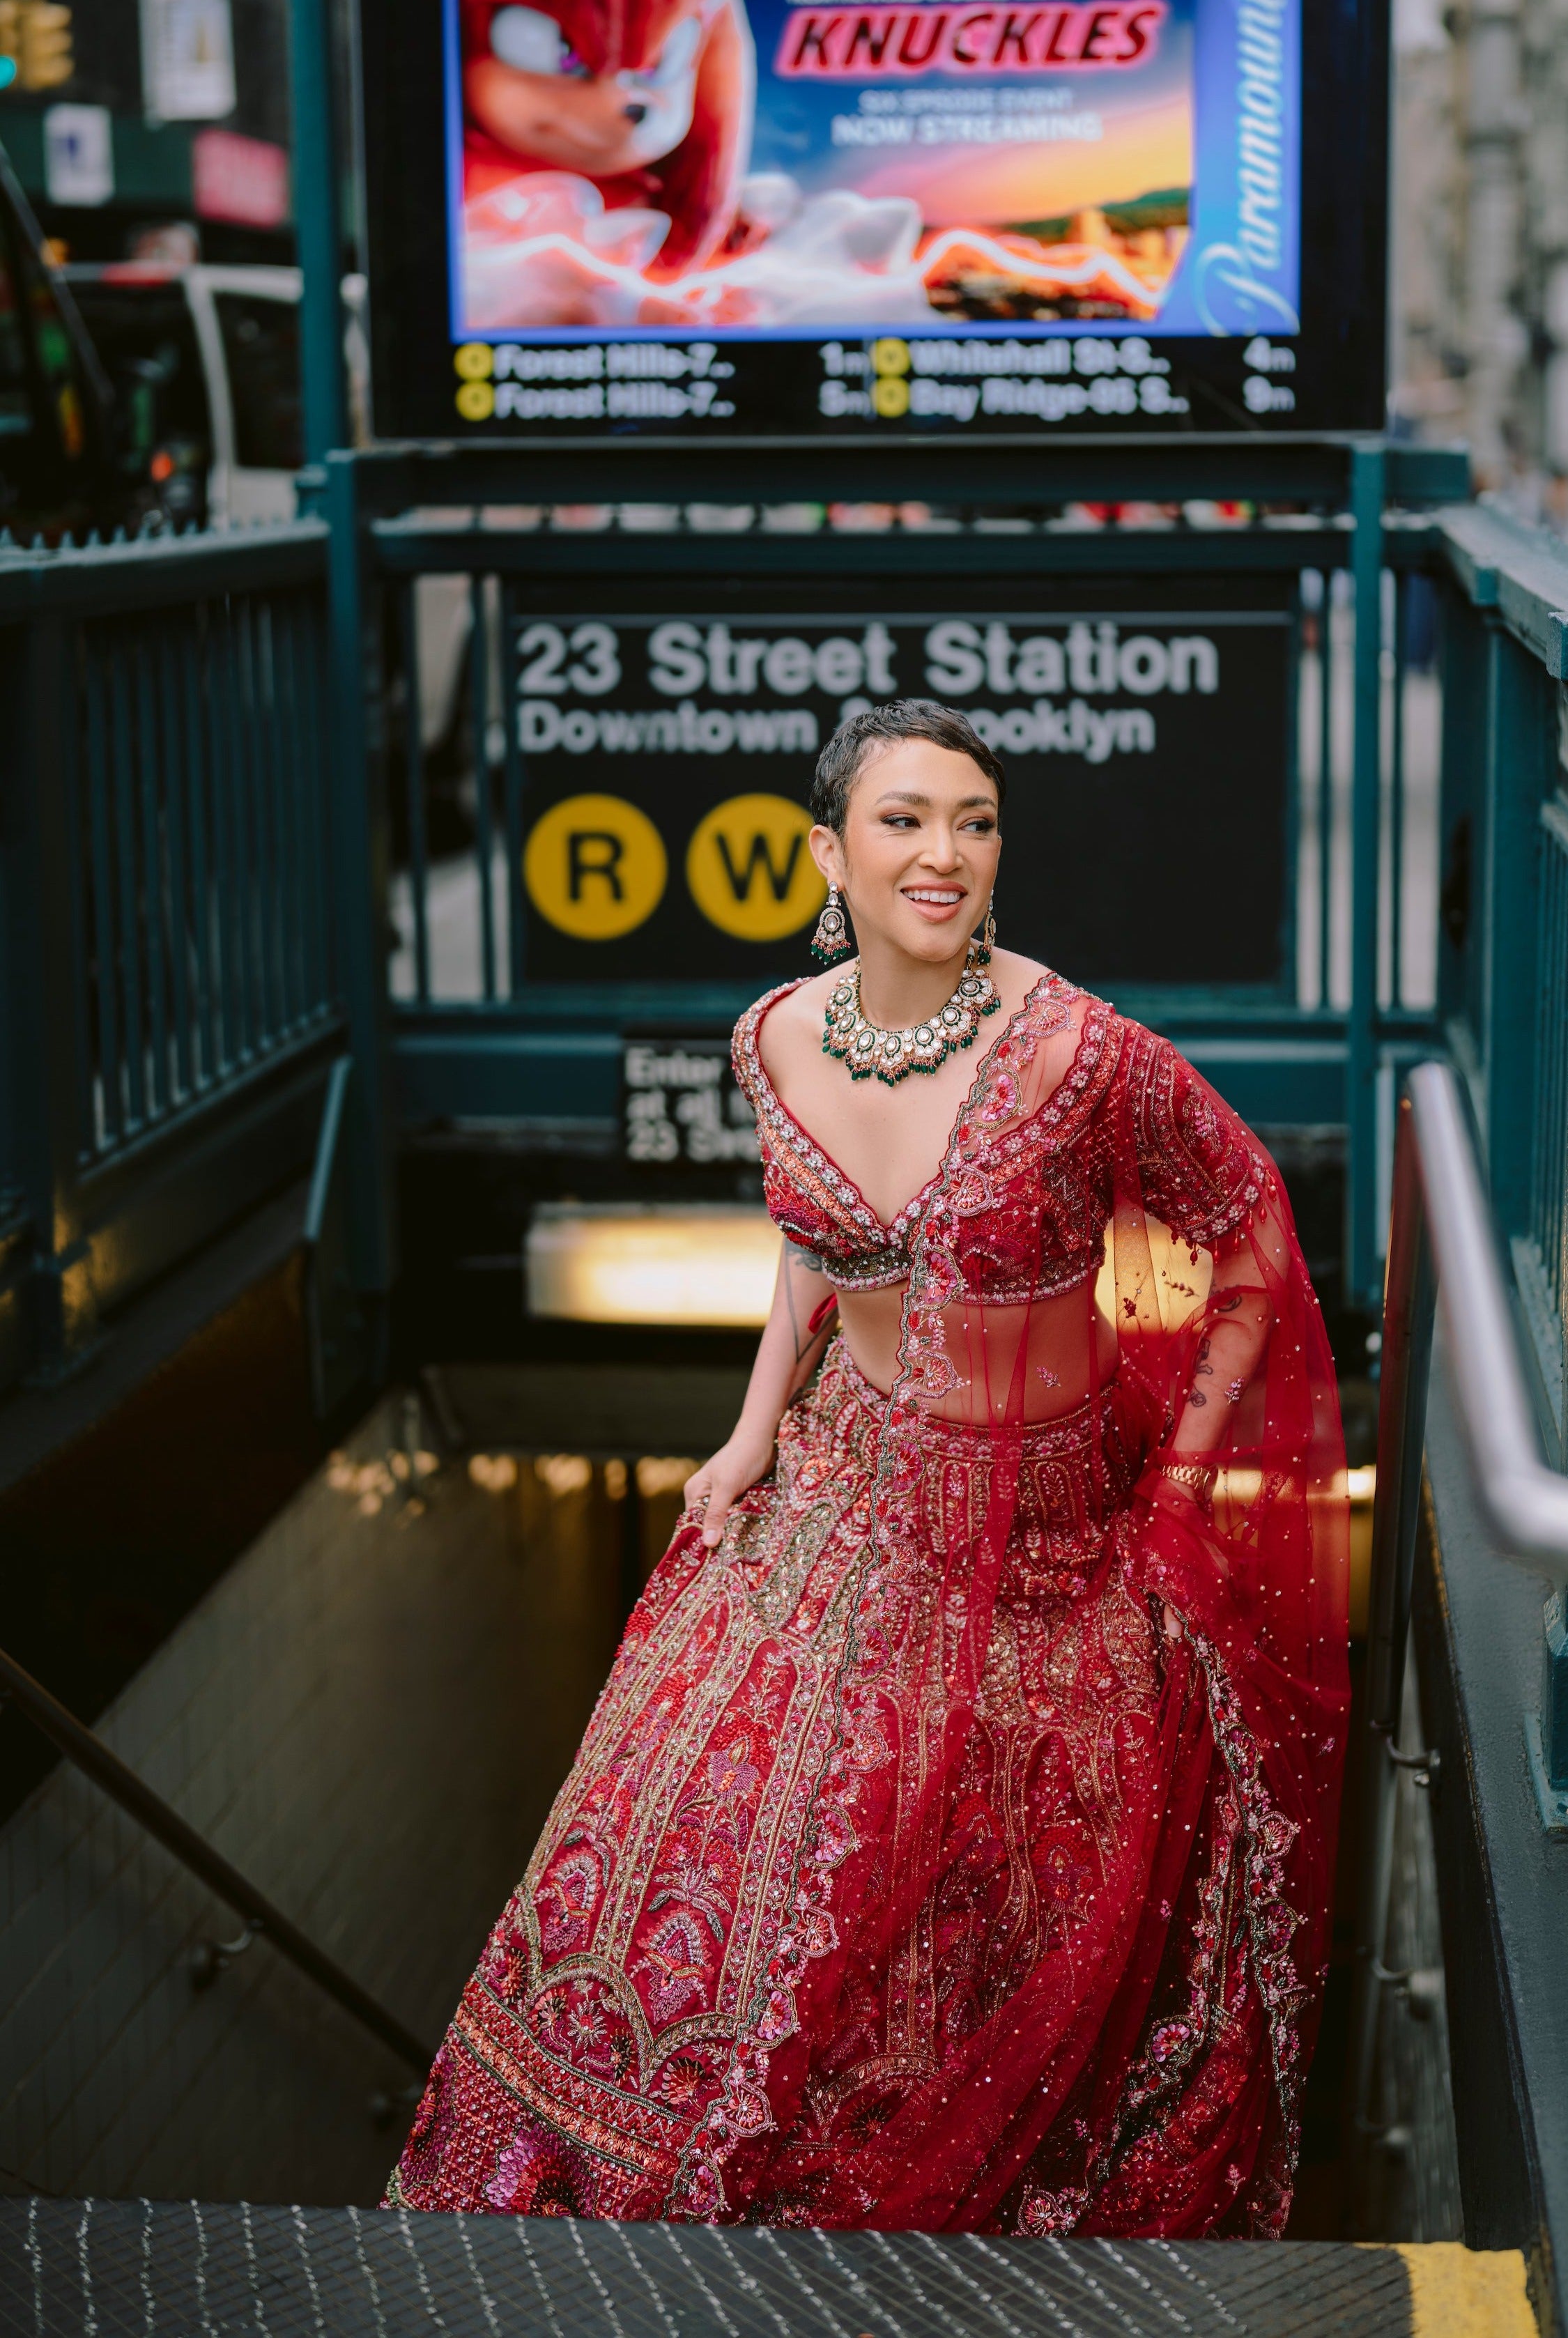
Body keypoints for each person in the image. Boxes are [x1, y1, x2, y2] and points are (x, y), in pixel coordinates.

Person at [389, 700, 1349, 2235]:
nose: (945, 852)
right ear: (827, 851)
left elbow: (1249, 1242)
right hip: (841, 1489)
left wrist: (1172, 1497)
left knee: (998, 1901)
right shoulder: (771, 1034)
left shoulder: (1085, 1054)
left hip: (1048, 1534)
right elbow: (811, 1254)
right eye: (905, 820)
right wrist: (752, 1427)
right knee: (683, 1831)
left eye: (974, 821)